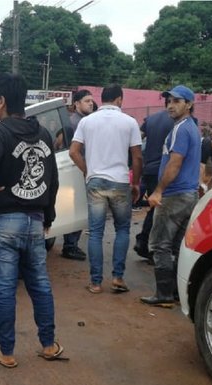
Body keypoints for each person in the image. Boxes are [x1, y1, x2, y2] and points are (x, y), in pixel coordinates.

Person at [0, 72, 62, 368]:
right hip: (35, 222)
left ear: (2, 101)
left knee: (4, 288)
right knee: (40, 285)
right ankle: (49, 345)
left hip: (5, 223)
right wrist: (48, 215)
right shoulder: (43, 134)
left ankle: (7, 353)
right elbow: (53, 180)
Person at [69, 84, 143, 294]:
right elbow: (137, 157)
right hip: (120, 182)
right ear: (119, 99)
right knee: (122, 229)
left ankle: (95, 282)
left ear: (102, 99)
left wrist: (87, 171)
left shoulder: (87, 121)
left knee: (95, 233)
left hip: (96, 182)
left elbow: (74, 152)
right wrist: (135, 183)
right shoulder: (129, 122)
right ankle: (118, 278)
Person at [140, 85, 201, 307]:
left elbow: (175, 163)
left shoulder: (181, 129)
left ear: (189, 104)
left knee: (159, 245)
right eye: (169, 101)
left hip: (174, 195)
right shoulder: (193, 127)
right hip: (188, 195)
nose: (170, 105)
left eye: (176, 101)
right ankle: (176, 292)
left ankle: (164, 294)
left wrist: (158, 190)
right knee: (176, 246)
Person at [133, 108, 173, 261]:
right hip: (164, 170)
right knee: (161, 210)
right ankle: (149, 245)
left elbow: (138, 138)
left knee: (155, 208)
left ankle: (144, 242)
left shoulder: (151, 119)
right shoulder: (178, 121)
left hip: (149, 169)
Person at [62, 89, 95, 261]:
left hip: (79, 170)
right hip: (77, 170)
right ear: (76, 104)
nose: (91, 103)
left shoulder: (82, 121)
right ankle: (70, 245)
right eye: (87, 100)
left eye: (91, 100)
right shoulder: (76, 122)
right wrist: (86, 170)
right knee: (77, 207)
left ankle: (71, 244)